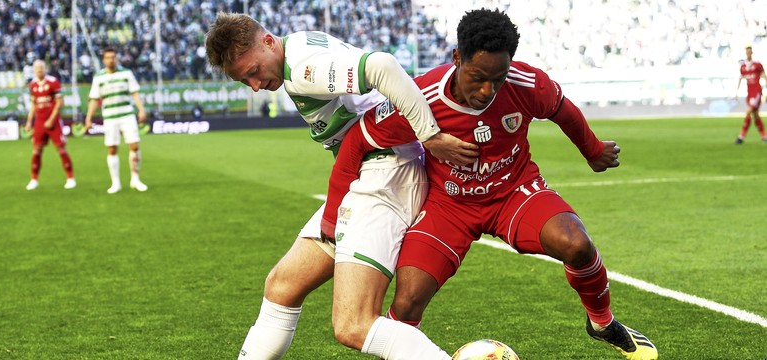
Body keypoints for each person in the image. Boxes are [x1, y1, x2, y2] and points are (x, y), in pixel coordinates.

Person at [325, 8, 658, 360]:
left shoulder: (525, 83)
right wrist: (333, 215)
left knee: (576, 244)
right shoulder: (420, 96)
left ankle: (603, 323)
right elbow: (358, 139)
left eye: (498, 79)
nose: (488, 90)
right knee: (406, 303)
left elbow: (563, 110)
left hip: (514, 193)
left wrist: (592, 151)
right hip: (448, 206)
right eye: (479, 77)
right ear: (457, 58)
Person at [204, 12, 478, 360]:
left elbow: (382, 67)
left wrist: (429, 134)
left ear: (268, 41)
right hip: (366, 175)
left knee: (353, 324)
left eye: (254, 72)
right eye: (246, 82)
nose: (256, 86)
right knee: (282, 286)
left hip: (384, 175)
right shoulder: (299, 43)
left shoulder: (303, 71)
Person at [83, 48, 149, 194]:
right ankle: (116, 183)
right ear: (104, 60)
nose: (111, 60)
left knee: (134, 146)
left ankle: (135, 179)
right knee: (112, 149)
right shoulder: (99, 77)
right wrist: (88, 118)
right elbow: (94, 99)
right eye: (108, 57)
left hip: (127, 115)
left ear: (116, 58)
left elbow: (135, 93)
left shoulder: (126, 73)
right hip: (110, 117)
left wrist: (141, 110)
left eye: (113, 57)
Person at [24, 59, 76, 191]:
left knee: (61, 149)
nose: (39, 70)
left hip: (53, 121)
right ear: (34, 70)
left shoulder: (53, 82)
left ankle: (70, 178)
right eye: (37, 68)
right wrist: (29, 121)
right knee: (36, 150)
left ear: (45, 68)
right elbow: (33, 105)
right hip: (40, 121)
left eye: (41, 68)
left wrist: (51, 119)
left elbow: (59, 102)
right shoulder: (33, 85)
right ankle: (34, 179)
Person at [734, 46, 767, 144]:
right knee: (755, 115)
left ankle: (741, 137)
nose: (748, 53)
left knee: (748, 112)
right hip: (749, 94)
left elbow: (764, 77)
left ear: (752, 52)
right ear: (745, 53)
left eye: (749, 51)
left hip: (757, 92)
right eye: (746, 51)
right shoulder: (743, 67)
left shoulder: (757, 65)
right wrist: (736, 92)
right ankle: (764, 136)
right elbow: (740, 79)